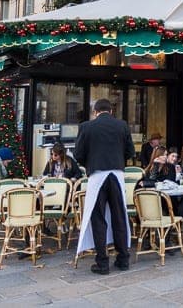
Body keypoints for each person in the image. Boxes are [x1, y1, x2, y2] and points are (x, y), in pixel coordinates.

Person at [75, 99, 133, 274]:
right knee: (119, 216)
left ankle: (102, 262)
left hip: (97, 174)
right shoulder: (122, 125)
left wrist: (90, 163)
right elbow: (130, 152)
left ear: (95, 112)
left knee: (98, 218)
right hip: (117, 174)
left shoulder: (86, 127)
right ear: (111, 111)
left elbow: (78, 154)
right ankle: (123, 259)